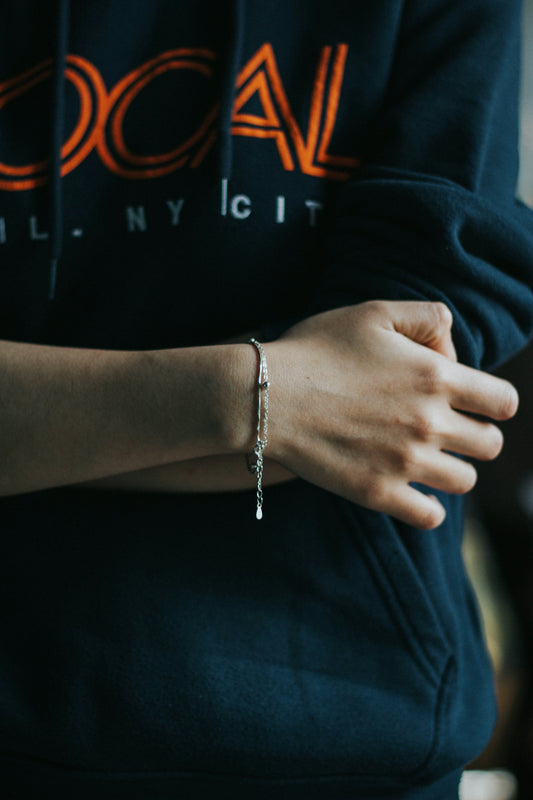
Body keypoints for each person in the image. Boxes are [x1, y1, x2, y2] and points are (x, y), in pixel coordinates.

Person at [0, 1, 532, 798]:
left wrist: (50, 412)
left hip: (344, 729)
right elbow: (337, 407)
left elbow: (394, 394)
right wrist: (264, 396)